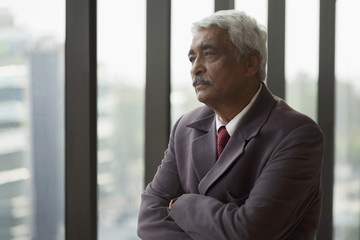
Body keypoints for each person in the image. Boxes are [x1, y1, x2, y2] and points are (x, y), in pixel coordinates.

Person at [138, 10, 324, 240]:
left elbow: (248, 232)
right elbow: (148, 218)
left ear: (250, 63)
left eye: (208, 54)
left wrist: (179, 204)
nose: (195, 68)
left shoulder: (296, 134)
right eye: (192, 58)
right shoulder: (185, 127)